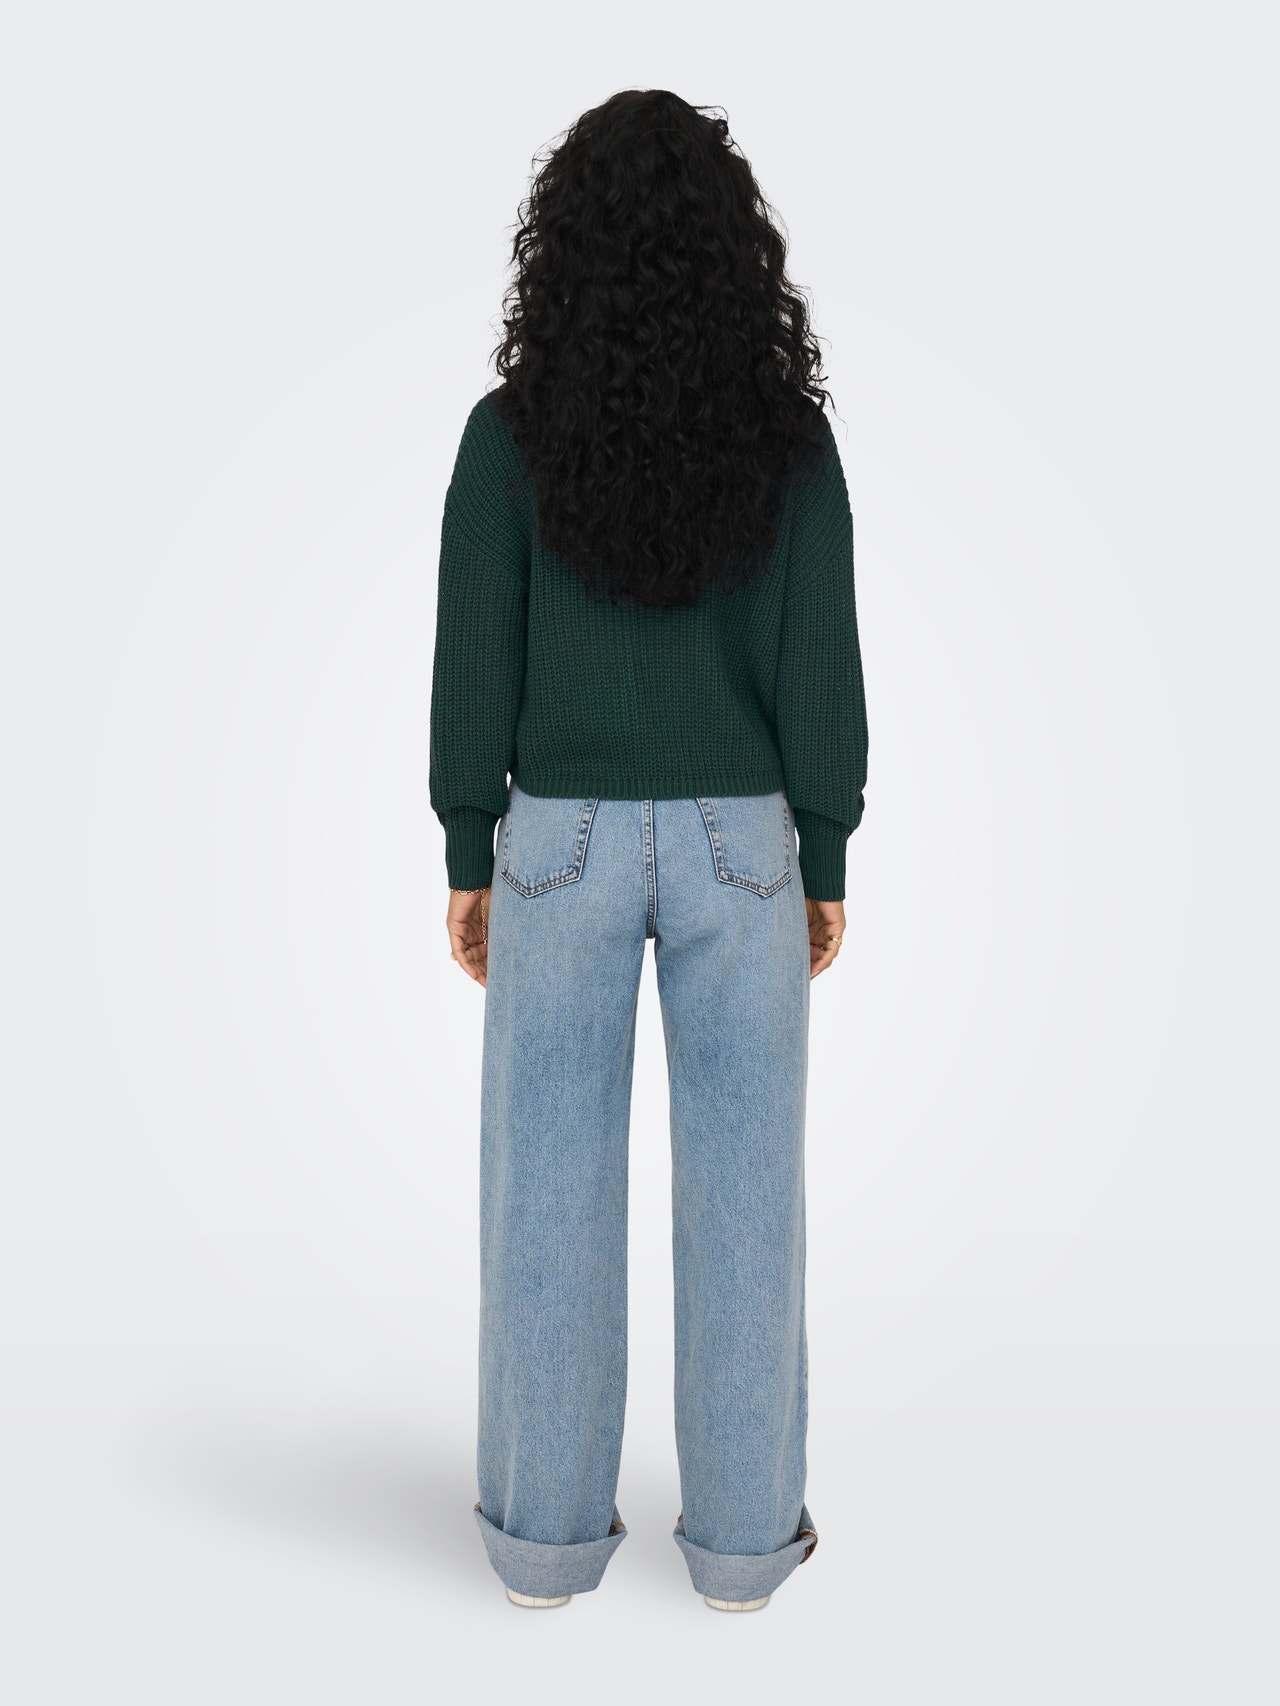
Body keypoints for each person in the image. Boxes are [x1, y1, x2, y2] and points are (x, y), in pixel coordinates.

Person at [428, 88, 868, 1613]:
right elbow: (821, 656)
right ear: (736, 250)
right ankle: (744, 1546)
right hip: (746, 840)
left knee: (545, 1188)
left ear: (562, 249)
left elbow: (474, 646)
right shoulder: (790, 443)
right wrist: (824, 852)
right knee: (750, 1192)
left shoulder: (509, 437)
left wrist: (468, 842)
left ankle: (542, 1542)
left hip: (558, 836)